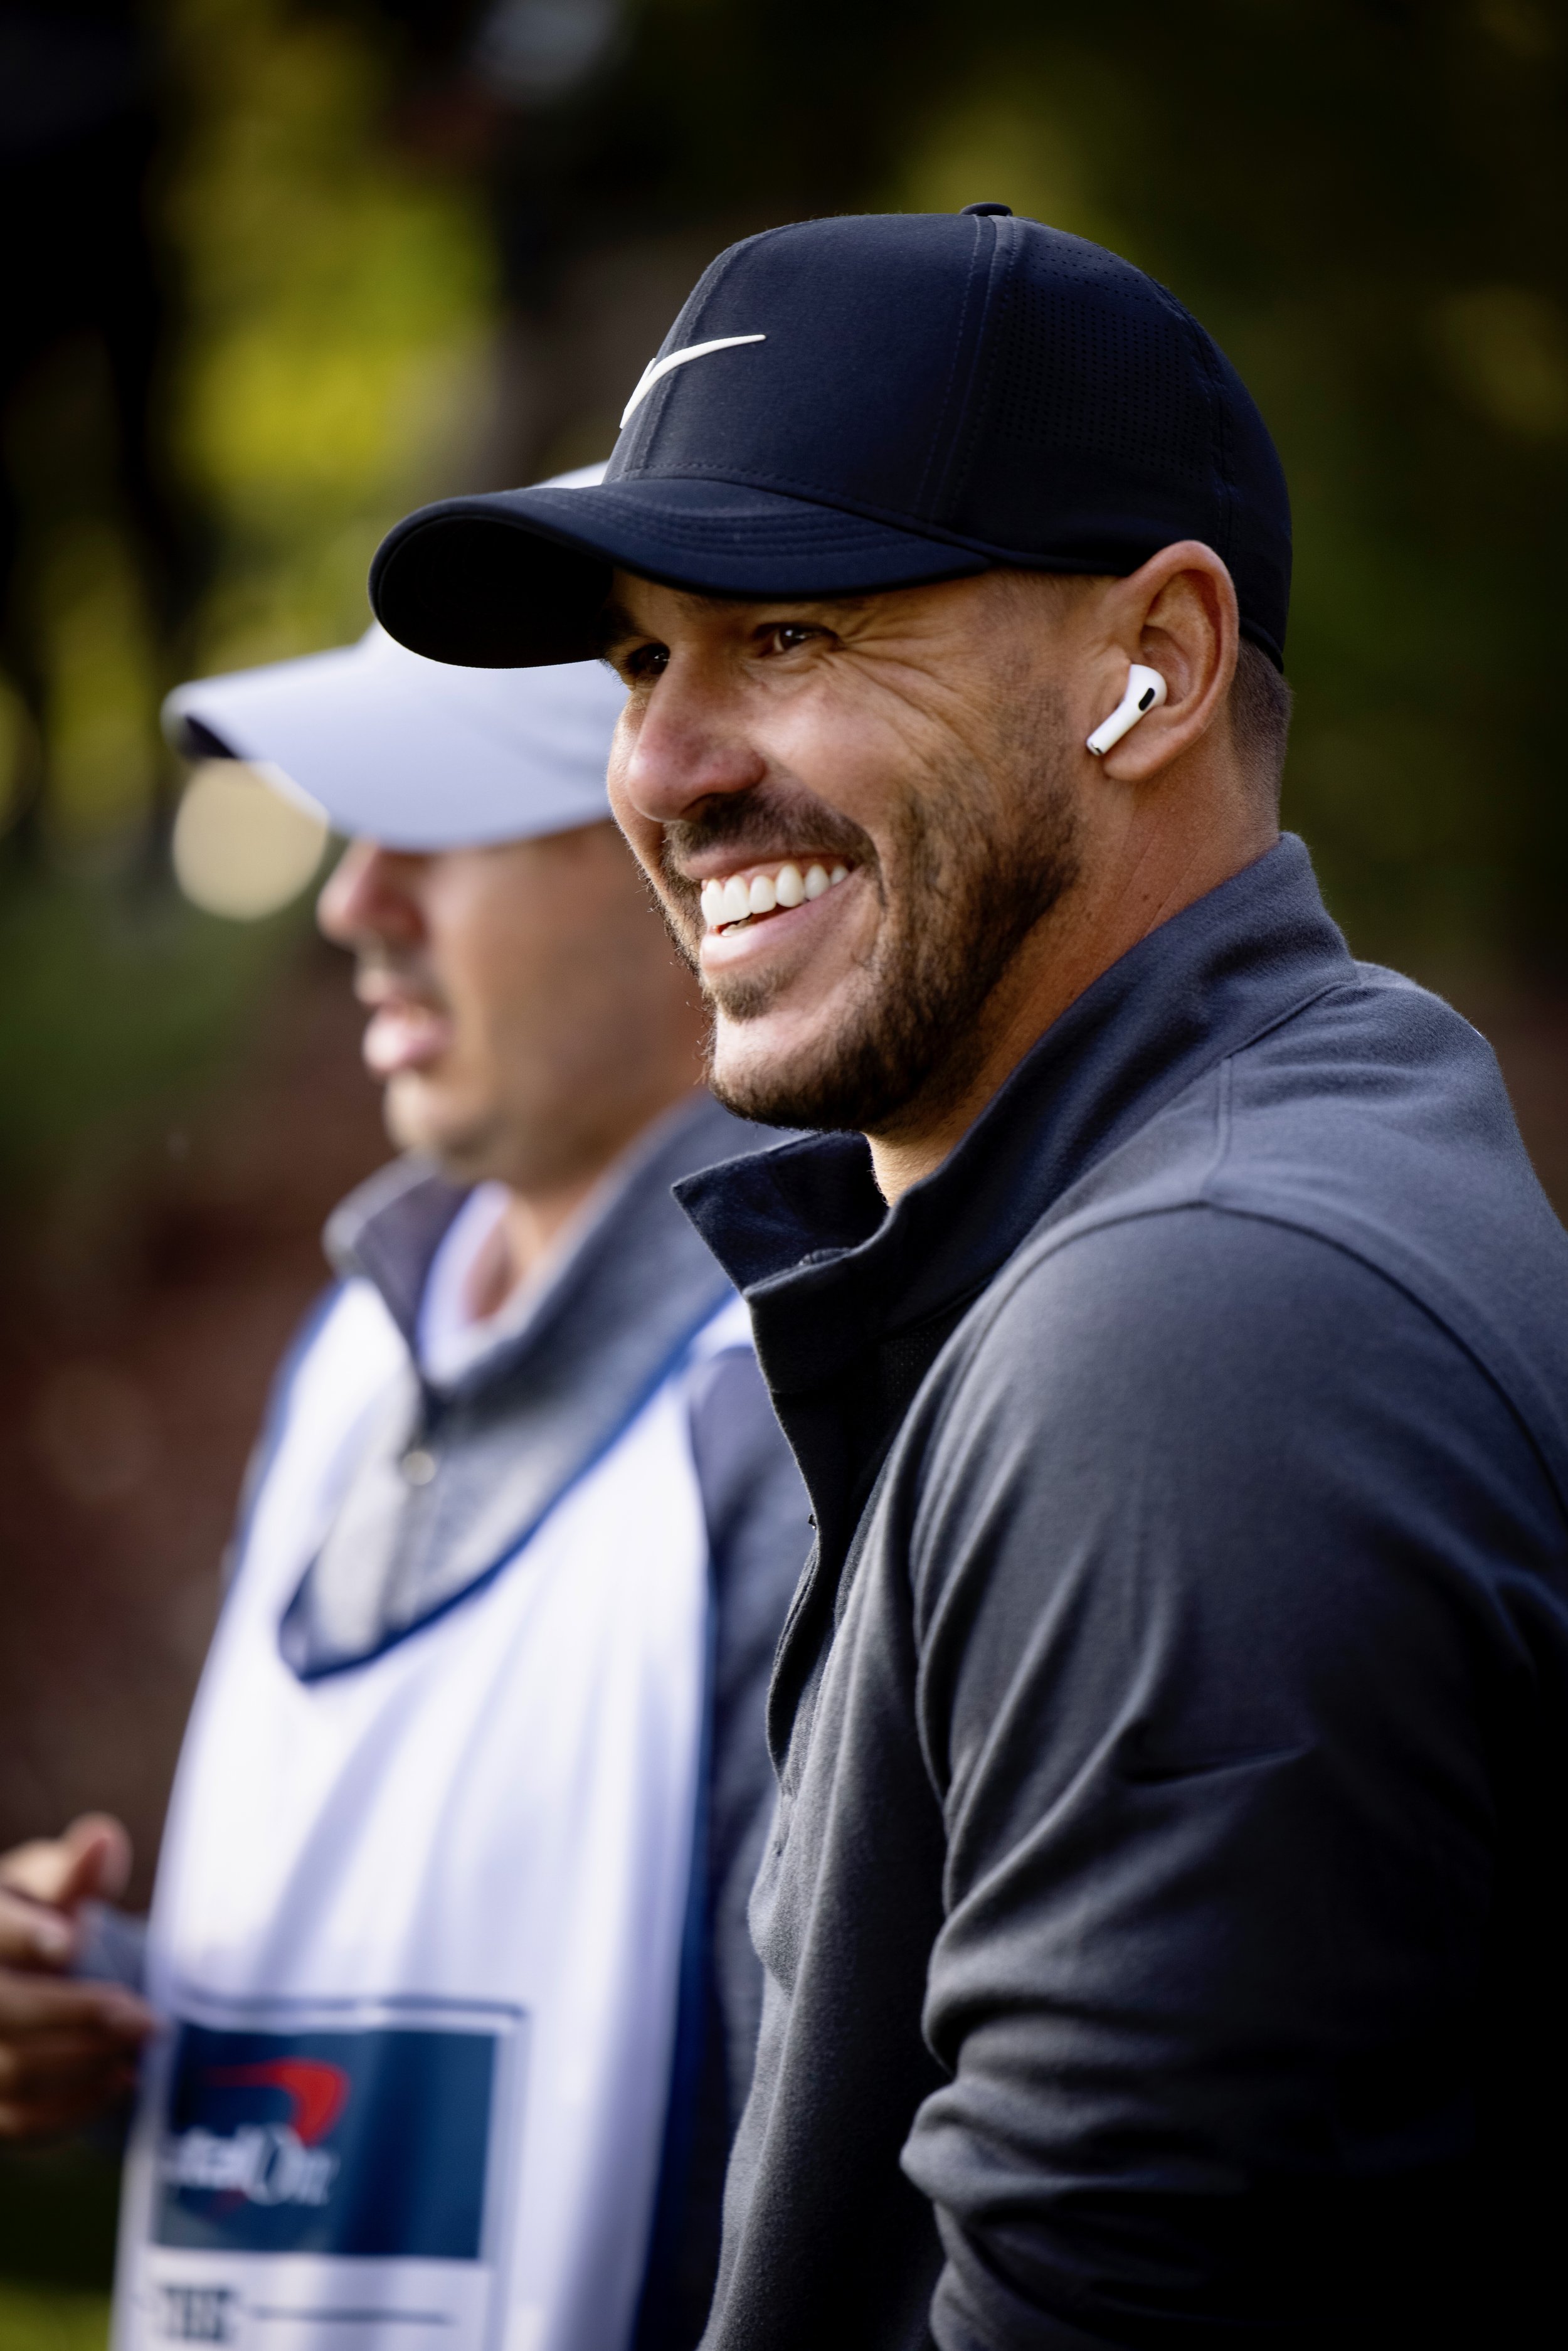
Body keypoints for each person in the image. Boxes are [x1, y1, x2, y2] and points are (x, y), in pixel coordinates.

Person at [368, 209, 1568, 2345]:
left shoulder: (1203, 1332)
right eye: (644, 659)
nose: (659, 767)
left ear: (1157, 666)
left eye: (797, 635)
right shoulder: (1202, 1216)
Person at [0, 593, 809, 2351]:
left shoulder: (800, 1408)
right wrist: (107, 2009)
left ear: (682, 849)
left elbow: (812, 2153)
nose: (351, 905)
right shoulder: (358, 1345)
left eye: (432, 829)